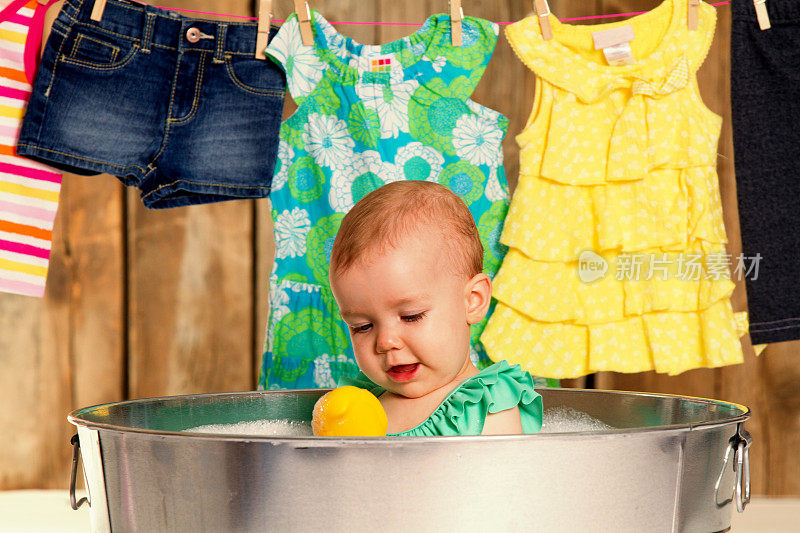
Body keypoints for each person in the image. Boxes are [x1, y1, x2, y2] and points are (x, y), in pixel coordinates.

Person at [328, 181, 542, 436]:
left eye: (411, 316)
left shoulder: (485, 406)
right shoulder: (365, 403)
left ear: (473, 300)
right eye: (362, 326)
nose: (385, 342)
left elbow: (500, 475)